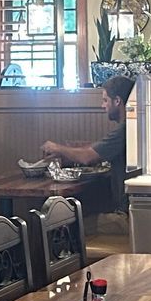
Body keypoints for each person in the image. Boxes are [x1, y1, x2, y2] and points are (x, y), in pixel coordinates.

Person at [42, 72, 134, 216]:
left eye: (105, 100)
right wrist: (70, 152)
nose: (102, 105)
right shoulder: (131, 126)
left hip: (126, 216)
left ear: (117, 101)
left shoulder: (126, 129)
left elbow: (88, 157)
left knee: (72, 224)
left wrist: (56, 148)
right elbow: (95, 149)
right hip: (127, 209)